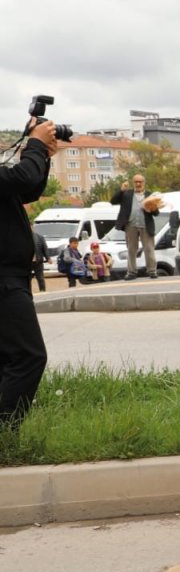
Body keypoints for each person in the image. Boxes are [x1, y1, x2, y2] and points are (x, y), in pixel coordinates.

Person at [1, 119, 59, 430]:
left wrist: (42, 153)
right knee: (28, 357)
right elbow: (23, 179)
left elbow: (26, 189)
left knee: (8, 359)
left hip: (11, 277)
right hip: (4, 280)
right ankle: (6, 432)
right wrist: (35, 145)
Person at [110, 174, 161, 279]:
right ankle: (131, 272)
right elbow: (113, 201)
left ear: (144, 183)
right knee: (131, 249)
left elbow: (156, 213)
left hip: (146, 226)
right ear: (133, 183)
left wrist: (151, 209)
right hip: (130, 226)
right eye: (136, 182)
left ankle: (152, 271)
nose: (138, 184)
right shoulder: (126, 194)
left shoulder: (150, 195)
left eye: (140, 182)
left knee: (149, 248)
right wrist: (121, 190)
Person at [30, 223, 47, 293]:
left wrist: (48, 258)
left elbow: (44, 249)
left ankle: (43, 291)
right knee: (27, 279)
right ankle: (28, 292)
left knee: (40, 278)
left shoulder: (39, 237)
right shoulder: (21, 238)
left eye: (30, 227)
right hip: (27, 262)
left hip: (38, 261)